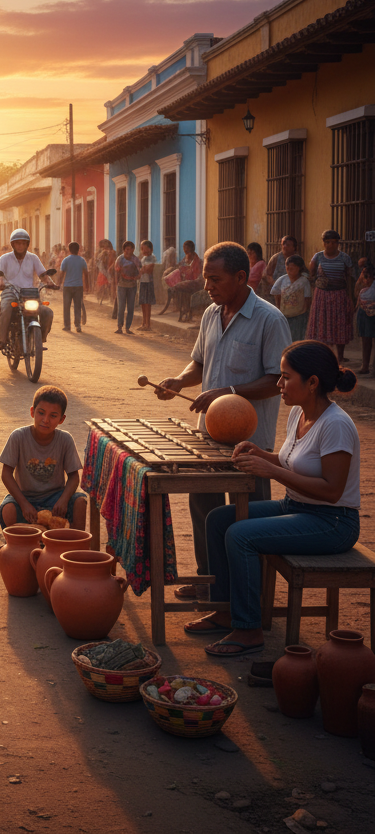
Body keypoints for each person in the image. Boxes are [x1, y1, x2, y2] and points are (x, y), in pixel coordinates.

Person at [189, 342, 360, 658]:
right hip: (297, 508)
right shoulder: (298, 412)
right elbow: (291, 461)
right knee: (219, 519)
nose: (278, 384)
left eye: (285, 377)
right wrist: (260, 454)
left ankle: (249, 628)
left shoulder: (336, 425)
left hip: (333, 522)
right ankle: (225, 608)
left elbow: (331, 491)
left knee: (240, 535)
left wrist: (271, 471)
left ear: (312, 383)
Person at [154, 242, 292, 603]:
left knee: (249, 516)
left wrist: (225, 392)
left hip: (252, 441)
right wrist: (179, 381)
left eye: (214, 279)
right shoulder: (211, 315)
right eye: (205, 279)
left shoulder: (269, 320)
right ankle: (210, 580)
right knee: (205, 507)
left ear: (241, 277)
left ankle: (251, 593)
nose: (207, 287)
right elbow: (199, 362)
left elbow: (276, 380)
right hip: (210, 434)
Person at [0, 385, 85, 531]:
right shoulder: (18, 437)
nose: (46, 420)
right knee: (8, 510)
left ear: (62, 419)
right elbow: (6, 474)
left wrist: (63, 501)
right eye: (41, 413)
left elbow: (74, 477)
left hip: (55, 498)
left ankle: (73, 543)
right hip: (25, 497)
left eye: (53, 416)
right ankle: (33, 534)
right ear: (32, 412)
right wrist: (24, 504)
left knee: (80, 502)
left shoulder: (65, 440)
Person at [0, 228, 55, 350]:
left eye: (23, 243)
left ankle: (40, 340)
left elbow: (42, 274)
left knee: (47, 312)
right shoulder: (5, 258)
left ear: (27, 244)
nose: (20, 246)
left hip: (30, 294)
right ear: (13, 244)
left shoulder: (33, 258)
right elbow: (0, 275)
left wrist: (50, 283)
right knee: (6, 309)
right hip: (10, 292)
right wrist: (0, 283)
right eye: (17, 243)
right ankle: (2, 339)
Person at [307, 229, 355, 364]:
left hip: (340, 295)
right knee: (323, 326)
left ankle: (340, 356)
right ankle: (326, 355)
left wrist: (351, 298)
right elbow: (311, 275)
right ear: (323, 243)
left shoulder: (345, 258)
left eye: (334, 242)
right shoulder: (317, 257)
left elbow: (350, 279)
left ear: (338, 244)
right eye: (328, 242)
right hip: (322, 295)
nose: (331, 245)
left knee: (340, 325)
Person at [271, 254, 311, 343]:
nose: (289, 270)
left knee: (297, 339)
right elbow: (276, 294)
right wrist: (279, 309)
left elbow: (307, 298)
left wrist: (304, 311)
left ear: (299, 268)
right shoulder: (282, 280)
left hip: (299, 316)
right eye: (287, 267)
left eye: (292, 268)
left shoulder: (304, 281)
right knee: (284, 338)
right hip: (284, 315)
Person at [164, 239, 203, 322]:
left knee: (182, 288)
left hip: (195, 282)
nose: (185, 250)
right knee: (179, 289)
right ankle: (184, 310)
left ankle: (187, 311)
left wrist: (189, 270)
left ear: (191, 249)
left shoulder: (197, 261)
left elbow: (197, 274)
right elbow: (180, 267)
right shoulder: (185, 259)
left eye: (186, 249)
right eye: (184, 248)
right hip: (185, 281)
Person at [58, 241, 87, 333]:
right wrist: (88, 286)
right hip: (79, 286)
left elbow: (62, 274)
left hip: (67, 286)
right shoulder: (82, 260)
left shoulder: (66, 260)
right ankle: (77, 325)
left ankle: (67, 326)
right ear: (78, 250)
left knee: (66, 306)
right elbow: (86, 274)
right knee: (77, 306)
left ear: (69, 250)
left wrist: (58, 284)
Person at [114, 241, 140, 335]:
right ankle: (119, 327)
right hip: (121, 286)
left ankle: (128, 327)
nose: (129, 251)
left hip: (132, 286)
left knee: (130, 307)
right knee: (121, 307)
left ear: (133, 250)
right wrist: (116, 286)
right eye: (127, 249)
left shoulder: (135, 260)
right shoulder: (119, 259)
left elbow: (139, 272)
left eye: (131, 249)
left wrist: (135, 277)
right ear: (124, 250)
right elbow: (116, 273)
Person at [354, 261, 375, 375]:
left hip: (372, 314)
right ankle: (365, 365)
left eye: (368, 276)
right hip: (363, 313)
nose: (366, 279)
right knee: (365, 340)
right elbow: (357, 295)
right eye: (364, 276)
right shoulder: (361, 287)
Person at [138, 239, 156, 331]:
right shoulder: (143, 259)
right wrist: (142, 269)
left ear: (150, 249)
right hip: (142, 282)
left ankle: (148, 324)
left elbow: (148, 270)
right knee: (143, 303)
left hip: (149, 282)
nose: (143, 251)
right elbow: (140, 270)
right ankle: (143, 323)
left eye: (144, 248)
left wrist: (142, 269)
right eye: (142, 249)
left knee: (147, 303)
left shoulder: (152, 258)